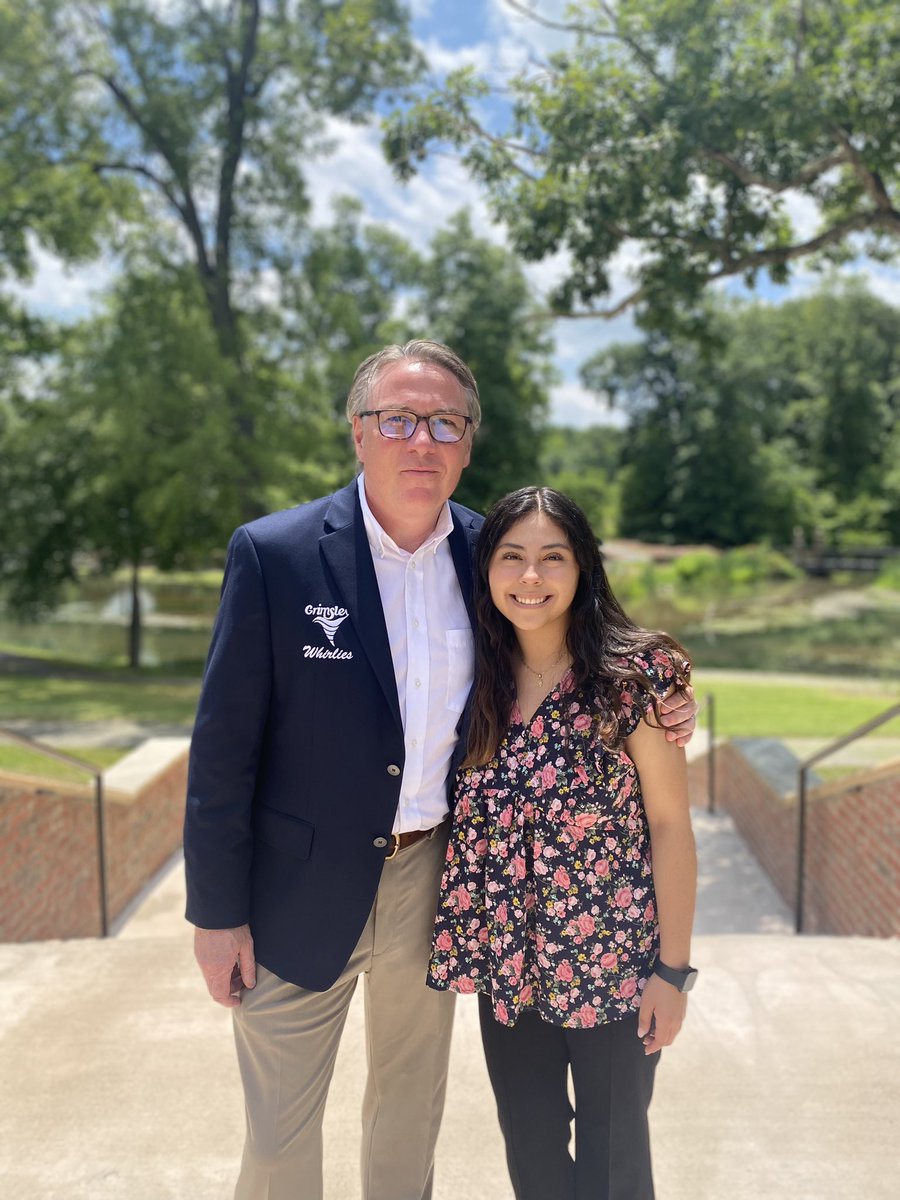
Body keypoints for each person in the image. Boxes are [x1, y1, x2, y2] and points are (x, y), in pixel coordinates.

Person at [184, 341, 698, 1200]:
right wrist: (215, 911)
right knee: (278, 1135)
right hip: (293, 889)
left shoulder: (486, 557)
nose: (420, 440)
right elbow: (222, 747)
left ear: (466, 444)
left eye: (444, 423)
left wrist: (664, 690)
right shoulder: (274, 555)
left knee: (407, 1116)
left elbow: (573, 627)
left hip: (434, 878)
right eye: (398, 420)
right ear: (359, 434)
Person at [428, 486, 698, 1200]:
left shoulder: (634, 679)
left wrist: (673, 973)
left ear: (584, 570)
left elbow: (671, 826)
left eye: (554, 558)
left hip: (616, 969)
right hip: (509, 972)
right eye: (512, 557)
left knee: (615, 1166)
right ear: (487, 571)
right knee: (534, 1158)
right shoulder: (471, 680)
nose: (531, 578)